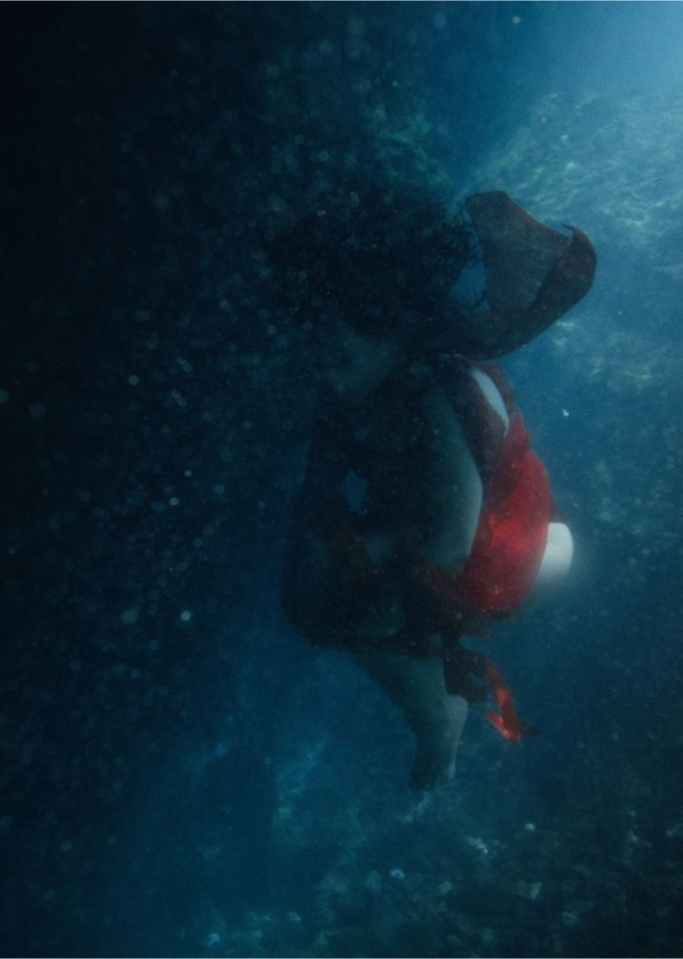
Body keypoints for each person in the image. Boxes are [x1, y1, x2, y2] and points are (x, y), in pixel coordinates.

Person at [266, 186, 596, 790]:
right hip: (521, 531)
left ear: (392, 331)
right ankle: (435, 699)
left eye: (338, 350)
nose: (325, 368)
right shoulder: (354, 392)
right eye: (316, 349)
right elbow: (316, 491)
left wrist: (377, 601)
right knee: (325, 568)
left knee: (342, 582)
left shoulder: (437, 395)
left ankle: (440, 723)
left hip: (503, 555)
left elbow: (452, 534)